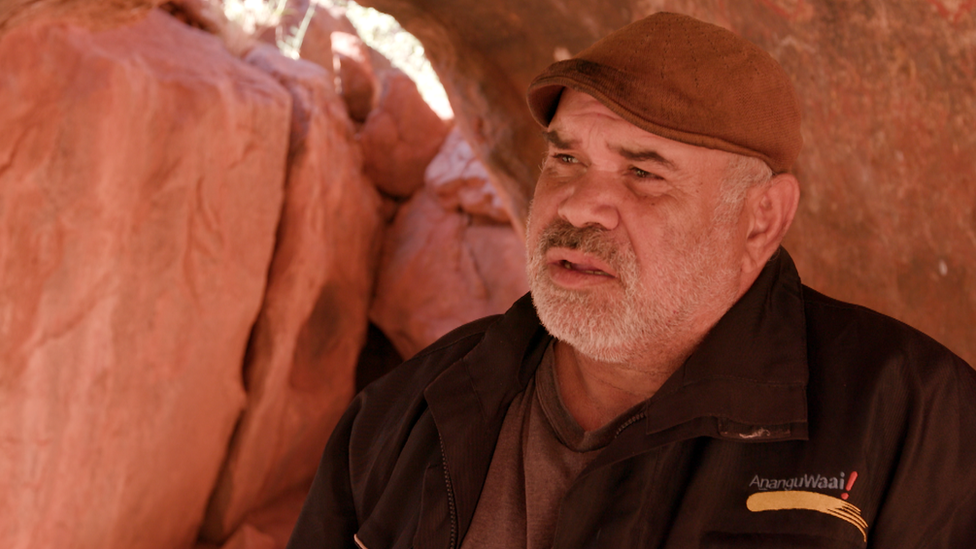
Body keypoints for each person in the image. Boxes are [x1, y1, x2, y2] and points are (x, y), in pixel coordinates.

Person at [287, 12, 976, 549]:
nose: (579, 204)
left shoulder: (917, 417)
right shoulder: (407, 415)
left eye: (642, 172)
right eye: (565, 158)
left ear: (761, 220)